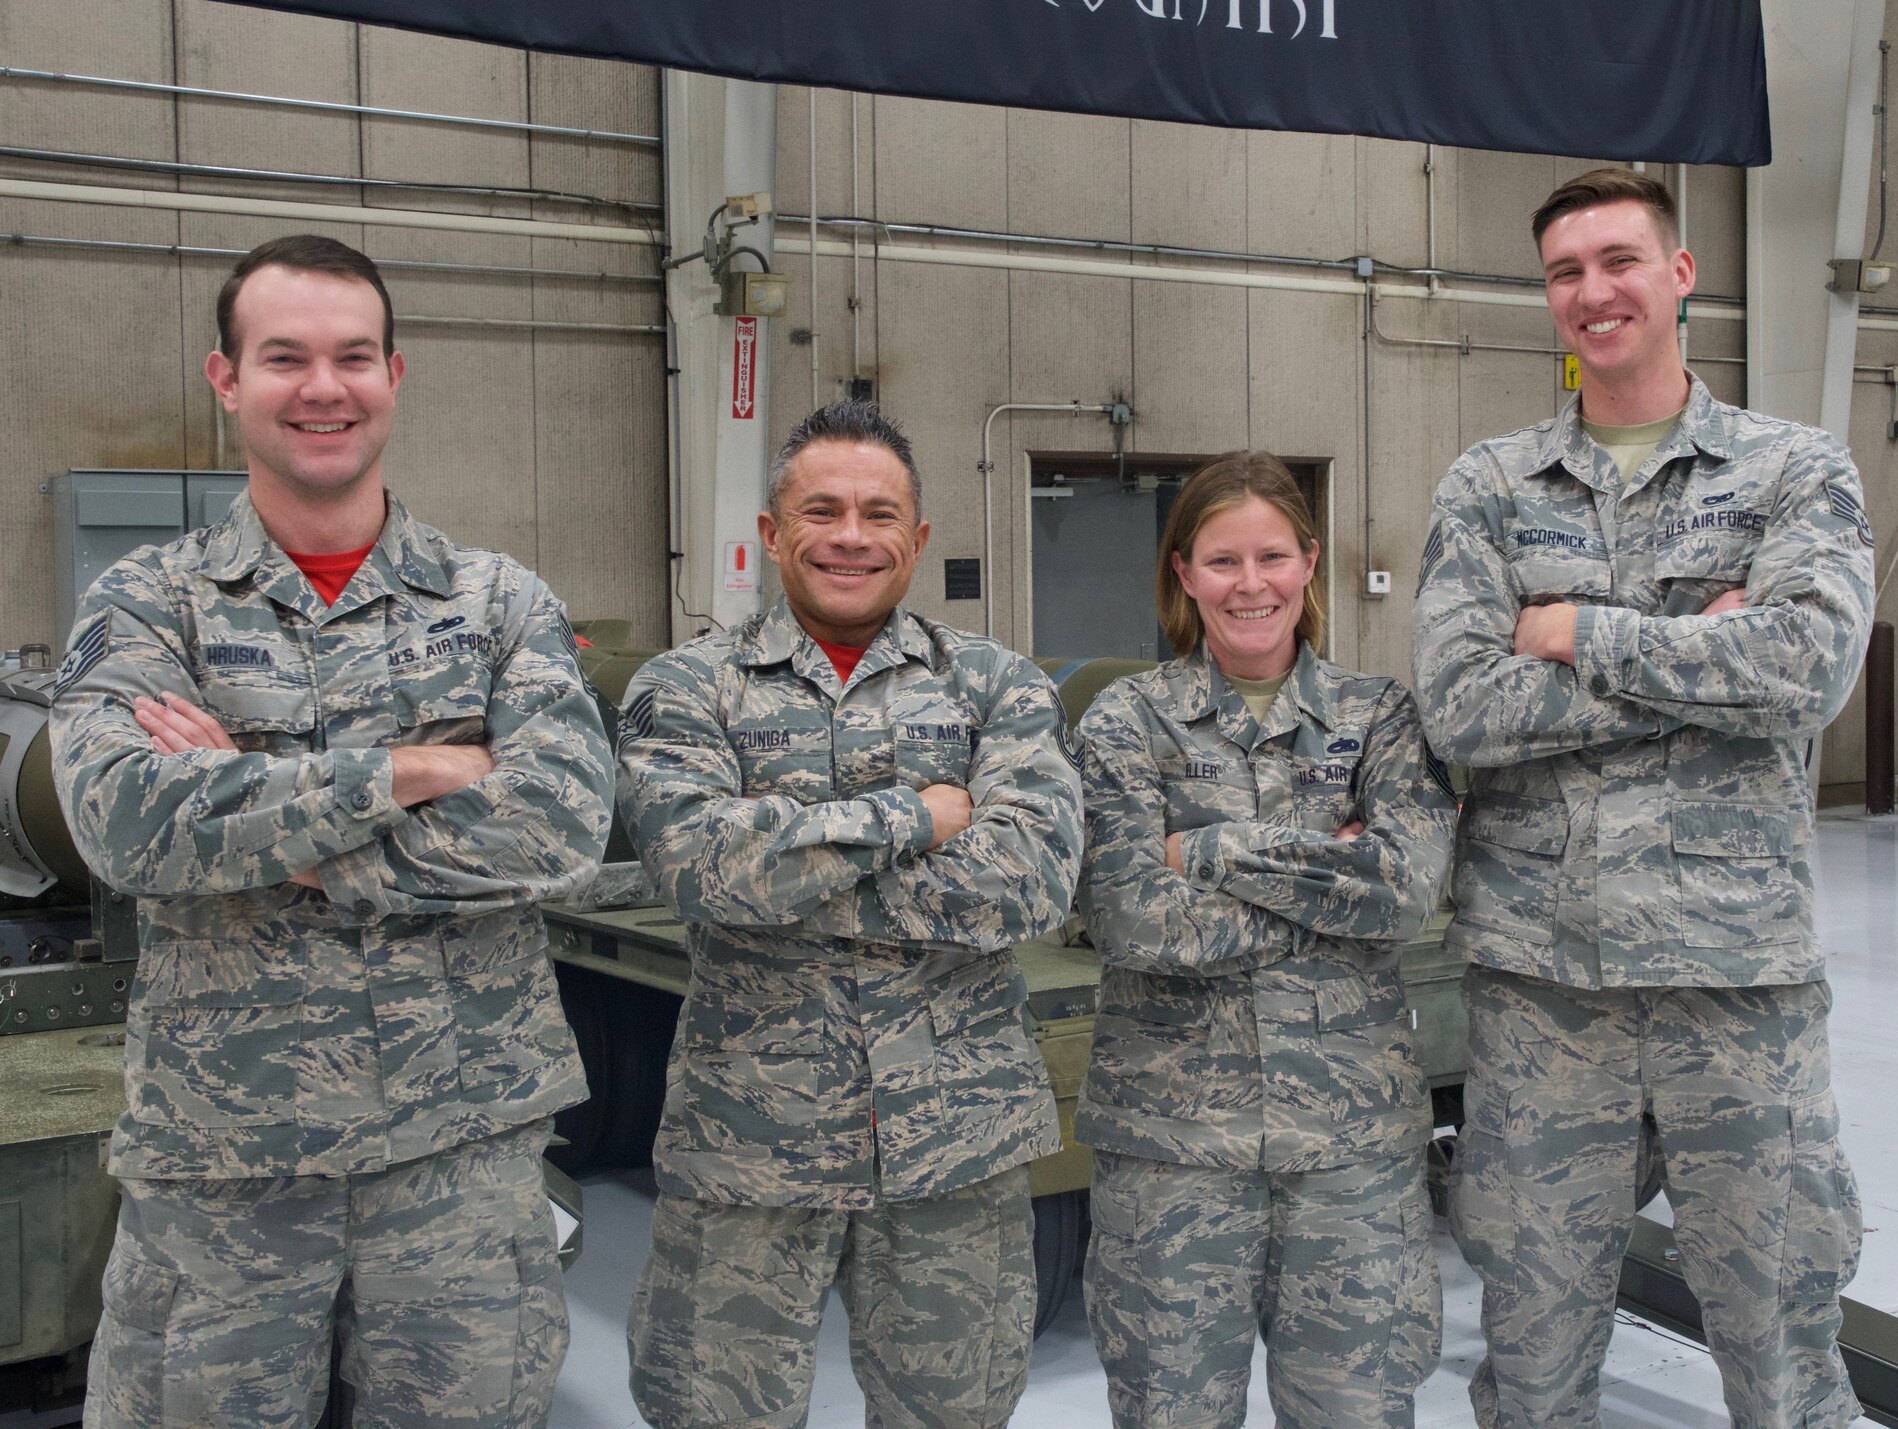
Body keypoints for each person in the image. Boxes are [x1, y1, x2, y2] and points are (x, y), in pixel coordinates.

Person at [49, 234, 614, 1428]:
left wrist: (261, 810)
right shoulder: (148, 601)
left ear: (394, 376)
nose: (323, 387)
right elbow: (121, 822)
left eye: (353, 357)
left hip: (458, 1154)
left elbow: (561, 828)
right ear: (226, 378)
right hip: (226, 1166)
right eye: (285, 357)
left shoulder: (497, 602)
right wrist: (413, 769)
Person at [1411, 167, 1875, 1429]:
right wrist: (1693, 649)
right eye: (1565, 272)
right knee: (1534, 1348)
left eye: (1618, 260)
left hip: (1738, 991)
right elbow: (1459, 707)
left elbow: (1806, 669)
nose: (1591, 291)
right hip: (1541, 996)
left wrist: (1569, 631)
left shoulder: (1793, 470)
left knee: (1782, 1341)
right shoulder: (1490, 486)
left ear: (1678, 275)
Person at [616, 399, 1084, 1429]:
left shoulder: (997, 686)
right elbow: (698, 866)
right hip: (748, 1140)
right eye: (820, 509)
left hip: (953, 1146)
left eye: (879, 513)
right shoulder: (688, 688)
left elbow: (1034, 879)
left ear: (916, 540)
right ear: (771, 534)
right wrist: (917, 817)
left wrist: (787, 857)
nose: (849, 535)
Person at [1073, 452, 1458, 1428]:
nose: (1250, 584)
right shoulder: (1125, 722)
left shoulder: (1378, 719)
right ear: (1182, 574)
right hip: (1171, 1153)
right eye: (1221, 561)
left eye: (1271, 557)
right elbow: (1129, 917)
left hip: (1349, 1154)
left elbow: (1402, 895)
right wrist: (1322, 871)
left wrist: (1204, 848)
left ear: (1308, 563)